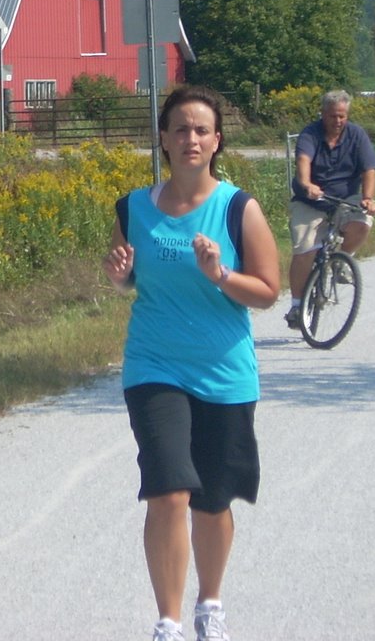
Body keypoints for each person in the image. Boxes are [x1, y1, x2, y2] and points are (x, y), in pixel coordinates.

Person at [103, 86, 281, 641]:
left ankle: (210, 605)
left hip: (224, 372)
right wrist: (119, 275)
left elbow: (269, 291)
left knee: (210, 500)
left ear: (217, 141)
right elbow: (127, 277)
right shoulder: (134, 208)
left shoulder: (237, 208)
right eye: (180, 129)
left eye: (201, 130)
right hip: (154, 367)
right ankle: (169, 622)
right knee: (168, 490)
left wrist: (220, 275)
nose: (191, 139)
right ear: (162, 138)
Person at [284, 89, 375, 329]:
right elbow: (303, 161)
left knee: (363, 222)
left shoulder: (357, 135)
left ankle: (341, 261)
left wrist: (368, 198)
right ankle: (297, 306)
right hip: (311, 200)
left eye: (342, 116)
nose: (337, 121)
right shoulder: (310, 134)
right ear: (322, 114)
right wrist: (307, 185)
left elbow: (369, 169)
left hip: (346, 198)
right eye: (332, 116)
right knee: (304, 249)